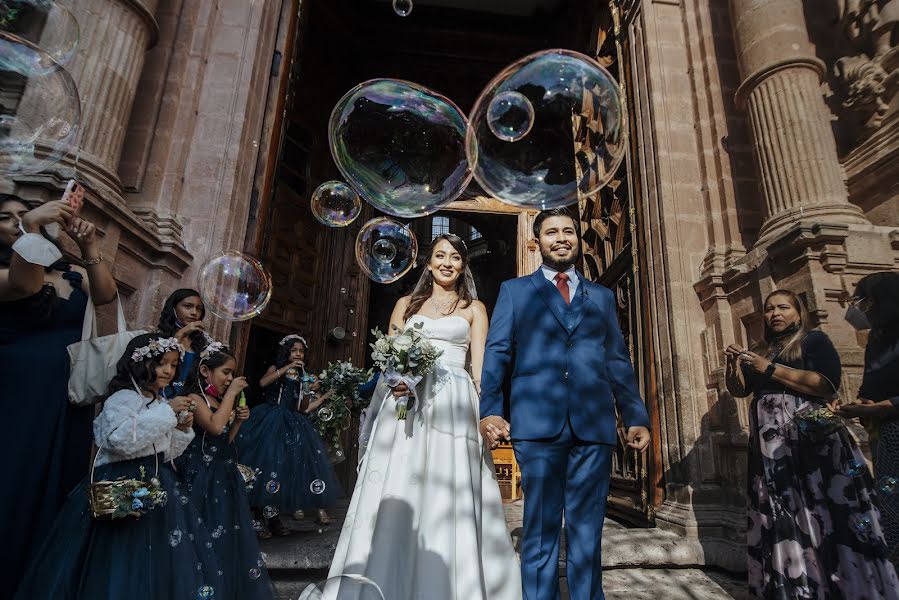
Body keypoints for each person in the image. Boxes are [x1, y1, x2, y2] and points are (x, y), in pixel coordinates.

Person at [319, 233, 521, 600]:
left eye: (455, 257)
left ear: (463, 266)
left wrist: (488, 413)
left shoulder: (474, 309)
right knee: (402, 480)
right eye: (440, 255)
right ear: (428, 263)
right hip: (408, 405)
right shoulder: (405, 306)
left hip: (456, 404)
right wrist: (398, 382)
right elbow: (391, 361)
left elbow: (481, 370)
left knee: (451, 486)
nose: (447, 262)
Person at [479, 208, 651, 600]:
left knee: (587, 531)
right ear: (536, 241)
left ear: (578, 239)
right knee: (539, 529)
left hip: (593, 425)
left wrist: (634, 415)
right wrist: (490, 409)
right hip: (537, 425)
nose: (562, 238)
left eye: (569, 231)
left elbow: (617, 361)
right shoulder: (514, 291)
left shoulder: (602, 297)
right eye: (552, 232)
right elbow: (498, 351)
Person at [14, 333, 224, 599]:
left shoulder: (160, 402)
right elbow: (117, 441)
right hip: (120, 485)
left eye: (173, 365)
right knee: (118, 556)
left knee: (153, 558)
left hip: (155, 484)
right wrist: (167, 413)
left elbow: (165, 452)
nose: (168, 371)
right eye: (162, 363)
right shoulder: (122, 399)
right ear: (140, 364)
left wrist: (182, 429)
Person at [725, 289, 898, 599]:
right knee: (781, 509)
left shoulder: (813, 341)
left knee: (819, 506)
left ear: (798, 313)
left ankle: (837, 583)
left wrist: (769, 368)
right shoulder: (763, 349)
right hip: (771, 447)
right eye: (769, 309)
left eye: (782, 307)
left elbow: (825, 382)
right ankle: (795, 584)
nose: (774, 313)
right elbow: (741, 390)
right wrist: (733, 366)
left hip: (811, 440)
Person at [0, 193, 118, 593]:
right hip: (20, 393)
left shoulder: (69, 271)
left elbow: (104, 294)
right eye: (7, 218)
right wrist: (31, 228)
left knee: (62, 481)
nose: (17, 221)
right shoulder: (7, 273)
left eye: (23, 214)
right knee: (18, 478)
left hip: (68, 394)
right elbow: (25, 286)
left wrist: (90, 249)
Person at [178, 341, 276, 600]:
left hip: (223, 473)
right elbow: (213, 427)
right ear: (204, 371)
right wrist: (232, 395)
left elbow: (224, 439)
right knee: (201, 533)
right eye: (226, 372)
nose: (230, 378)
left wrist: (239, 423)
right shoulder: (195, 399)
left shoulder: (219, 400)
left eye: (232, 374)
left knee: (224, 534)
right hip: (200, 474)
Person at [237, 334, 339, 538]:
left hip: (293, 422)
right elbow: (263, 383)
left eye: (301, 351)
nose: (298, 354)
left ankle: (274, 517)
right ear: (286, 353)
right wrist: (286, 369)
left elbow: (303, 408)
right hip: (270, 418)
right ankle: (256, 516)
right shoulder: (275, 368)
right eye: (294, 351)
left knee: (283, 469)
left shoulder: (303, 377)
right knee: (265, 466)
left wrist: (307, 389)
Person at [836, 271, 899, 569]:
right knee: (892, 511)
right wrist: (862, 402)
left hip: (891, 421)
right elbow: (872, 383)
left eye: (862, 301)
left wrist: (888, 405)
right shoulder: (877, 337)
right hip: (887, 436)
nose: (855, 309)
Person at [157, 288, 213, 397]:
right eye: (188, 306)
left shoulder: (203, 342)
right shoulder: (159, 339)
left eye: (199, 309)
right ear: (173, 308)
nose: (194, 313)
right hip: (161, 400)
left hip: (190, 403)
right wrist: (181, 334)